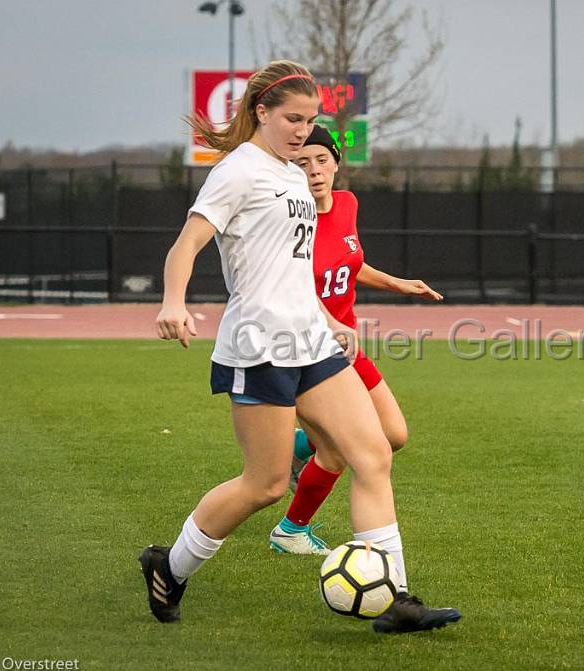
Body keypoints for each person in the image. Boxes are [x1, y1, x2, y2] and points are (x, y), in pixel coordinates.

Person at [140, 60, 461, 634]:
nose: (301, 131)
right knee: (263, 485)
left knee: (373, 454)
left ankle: (396, 599)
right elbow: (186, 244)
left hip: (312, 343)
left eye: (311, 120)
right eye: (292, 118)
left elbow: (290, 270)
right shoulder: (238, 171)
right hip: (258, 347)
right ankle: (171, 564)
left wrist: (325, 319)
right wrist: (172, 302)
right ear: (261, 112)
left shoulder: (293, 176)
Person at [268, 124, 443, 556]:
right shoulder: (289, 221)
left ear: (336, 164)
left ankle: (299, 445)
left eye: (321, 160)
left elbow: (349, 263)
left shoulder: (347, 204)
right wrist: (329, 323)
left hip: (346, 348)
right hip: (306, 352)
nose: (313, 171)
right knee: (340, 450)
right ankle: (291, 531)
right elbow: (294, 286)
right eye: (302, 162)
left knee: (395, 436)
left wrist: (398, 284)